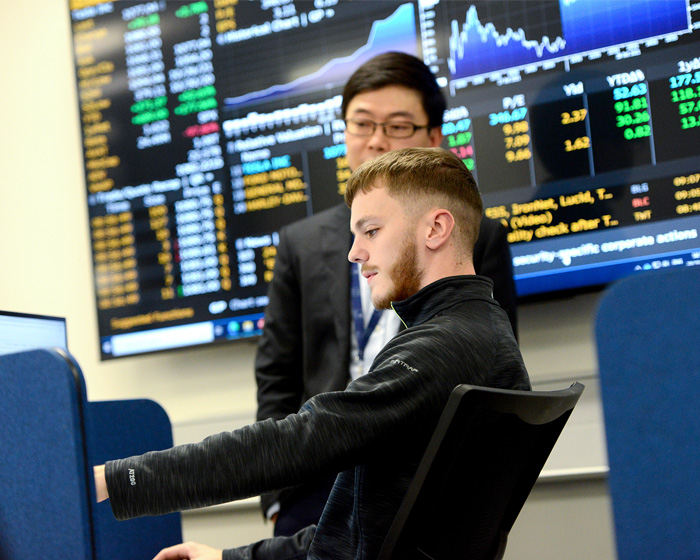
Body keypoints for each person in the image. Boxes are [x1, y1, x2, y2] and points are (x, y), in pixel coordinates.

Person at [94, 147, 530, 560]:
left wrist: (116, 479)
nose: (355, 253)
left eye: (371, 231)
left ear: (436, 228)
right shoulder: (479, 331)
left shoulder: (442, 348)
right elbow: (363, 536)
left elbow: (296, 442)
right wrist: (234, 557)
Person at [255, 51, 518, 536]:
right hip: (317, 477)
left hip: (426, 473)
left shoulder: (476, 236)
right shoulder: (301, 243)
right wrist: (277, 498)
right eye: (362, 124)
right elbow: (277, 375)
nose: (376, 141)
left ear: (434, 140)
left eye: (398, 127)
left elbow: (495, 377)